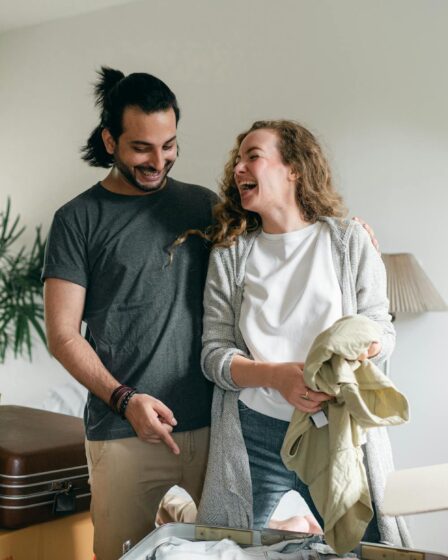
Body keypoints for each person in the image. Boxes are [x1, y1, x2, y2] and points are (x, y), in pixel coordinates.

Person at [197, 120, 410, 547]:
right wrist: (277, 377)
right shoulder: (231, 254)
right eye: (237, 160)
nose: (239, 168)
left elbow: (382, 332)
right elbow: (213, 356)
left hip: (338, 432)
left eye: (252, 156)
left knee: (370, 550)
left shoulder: (349, 241)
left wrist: (357, 351)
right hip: (252, 435)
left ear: (293, 167)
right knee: (224, 549)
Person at [42, 67, 217, 560]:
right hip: (122, 432)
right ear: (110, 140)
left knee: (227, 553)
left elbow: (276, 242)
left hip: (211, 427)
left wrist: (345, 231)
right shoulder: (77, 220)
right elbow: (62, 334)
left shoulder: (203, 205)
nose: (157, 161)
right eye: (141, 147)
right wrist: (125, 399)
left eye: (169, 145)